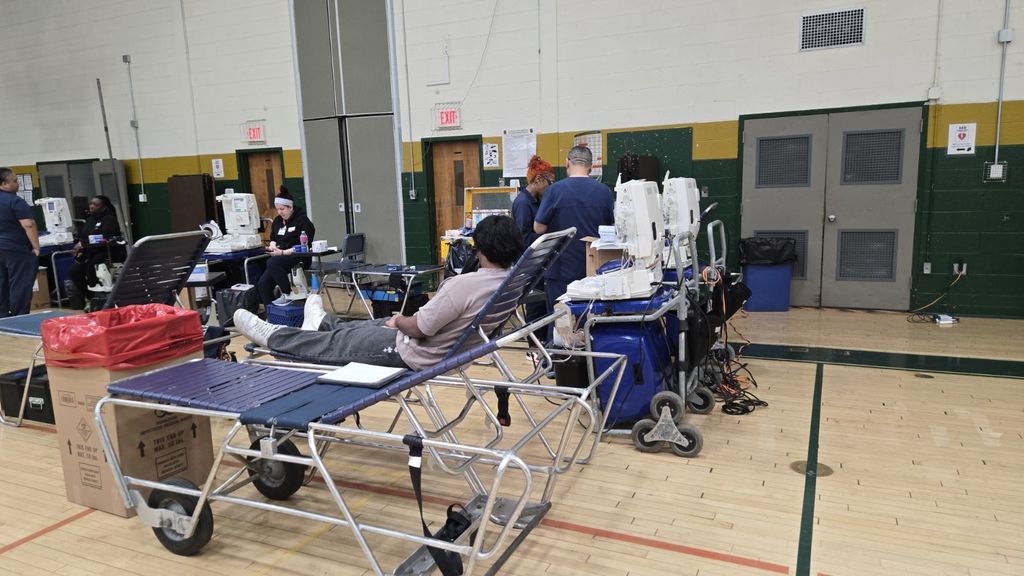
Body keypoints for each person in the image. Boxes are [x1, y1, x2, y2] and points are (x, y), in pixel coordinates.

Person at [234, 215, 524, 370]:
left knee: (338, 343)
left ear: (479, 248)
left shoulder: (465, 285)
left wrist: (399, 320)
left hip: (415, 351)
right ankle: (321, 323)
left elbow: (420, 327)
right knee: (358, 327)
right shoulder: (509, 283)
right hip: (437, 348)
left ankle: (274, 336)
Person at [533, 145, 614, 316]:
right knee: (591, 320)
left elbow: (538, 228)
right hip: (594, 269)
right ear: (591, 167)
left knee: (559, 322)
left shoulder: (554, 191)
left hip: (560, 268)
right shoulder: (604, 192)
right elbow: (612, 229)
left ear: (567, 163)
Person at [511, 154, 554, 334]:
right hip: (530, 263)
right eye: (549, 183)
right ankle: (534, 347)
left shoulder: (537, 201)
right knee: (535, 307)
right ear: (538, 179)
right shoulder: (523, 203)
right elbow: (522, 238)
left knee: (542, 305)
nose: (550, 187)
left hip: (539, 260)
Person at [257, 187, 316, 307]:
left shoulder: (303, 221)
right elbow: (273, 237)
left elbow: (304, 245)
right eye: (278, 209)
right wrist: (273, 246)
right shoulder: (278, 221)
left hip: (299, 256)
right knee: (263, 283)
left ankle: (287, 294)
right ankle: (272, 314)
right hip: (279, 258)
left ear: (290, 207)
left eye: (282, 209)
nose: (280, 212)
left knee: (273, 262)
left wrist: (282, 252)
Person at [0, 168, 41, 318]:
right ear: (4, 184)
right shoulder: (15, 200)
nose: (18, 184)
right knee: (21, 283)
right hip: (16, 248)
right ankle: (19, 317)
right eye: (15, 181)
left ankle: (2, 318)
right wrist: (36, 247)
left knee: (2, 283)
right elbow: (28, 224)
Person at [69, 195, 122, 306]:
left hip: (105, 251)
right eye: (91, 204)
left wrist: (84, 243)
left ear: (104, 207)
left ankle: (101, 297)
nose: (92, 206)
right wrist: (80, 246)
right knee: (74, 272)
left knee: (90, 269)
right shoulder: (90, 219)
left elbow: (105, 237)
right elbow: (83, 235)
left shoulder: (110, 219)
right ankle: (90, 297)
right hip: (89, 251)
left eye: (96, 205)